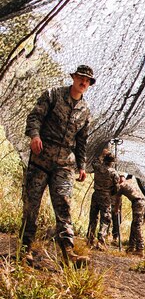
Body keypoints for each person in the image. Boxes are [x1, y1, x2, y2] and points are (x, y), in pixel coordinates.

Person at [21, 64, 94, 263]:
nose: (84, 82)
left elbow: (82, 141)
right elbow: (35, 116)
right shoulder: (53, 95)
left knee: (64, 205)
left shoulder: (85, 111)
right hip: (41, 159)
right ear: (73, 77)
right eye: (81, 77)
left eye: (88, 80)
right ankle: (25, 247)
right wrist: (34, 136)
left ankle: (68, 252)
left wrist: (82, 166)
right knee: (31, 203)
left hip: (64, 164)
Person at [88, 149, 119, 247]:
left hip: (96, 194)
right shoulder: (113, 173)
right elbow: (116, 187)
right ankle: (101, 240)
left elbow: (94, 162)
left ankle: (90, 238)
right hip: (106, 196)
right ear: (111, 162)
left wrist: (101, 154)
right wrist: (111, 193)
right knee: (105, 218)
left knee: (93, 217)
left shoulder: (97, 167)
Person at [117, 174, 145, 256]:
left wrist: (116, 209)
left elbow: (118, 200)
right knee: (134, 225)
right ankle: (131, 247)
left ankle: (140, 249)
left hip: (138, 203)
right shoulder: (131, 181)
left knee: (137, 226)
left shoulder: (121, 186)